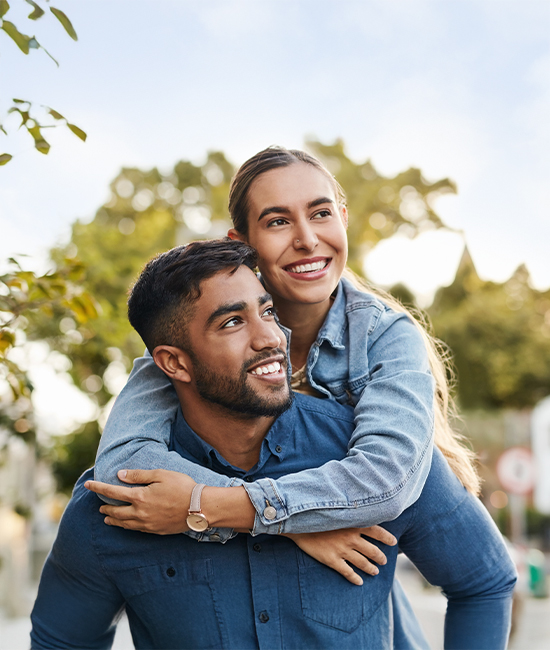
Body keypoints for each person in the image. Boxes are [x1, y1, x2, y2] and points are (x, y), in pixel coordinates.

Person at [31, 240, 516, 650]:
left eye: (267, 310)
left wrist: (209, 506)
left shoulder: (372, 455)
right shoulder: (117, 503)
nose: (270, 337)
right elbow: (60, 642)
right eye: (232, 322)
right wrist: (287, 525)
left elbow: (484, 581)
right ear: (173, 364)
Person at [93, 147, 479, 557]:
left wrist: (206, 505)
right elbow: (123, 468)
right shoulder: (196, 340)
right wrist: (293, 528)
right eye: (278, 221)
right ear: (242, 243)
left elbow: (384, 480)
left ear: (343, 219)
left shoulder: (385, 337)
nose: (307, 239)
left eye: (321, 213)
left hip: (358, 579)